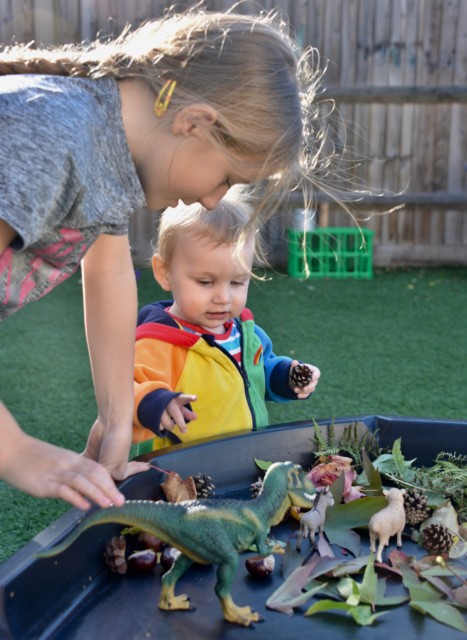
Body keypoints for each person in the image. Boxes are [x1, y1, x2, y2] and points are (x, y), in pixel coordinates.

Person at [0, 6, 327, 510]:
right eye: (226, 178)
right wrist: (15, 450)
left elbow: (106, 270)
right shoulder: (53, 136)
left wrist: (115, 422)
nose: (217, 201)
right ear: (194, 123)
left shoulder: (107, 155)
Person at [133, 195, 321, 453]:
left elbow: (257, 375)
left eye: (236, 282)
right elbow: (126, 390)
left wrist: (286, 376)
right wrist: (156, 402)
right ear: (164, 272)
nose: (223, 298)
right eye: (205, 282)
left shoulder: (246, 333)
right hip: (182, 472)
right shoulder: (159, 342)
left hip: (245, 458)